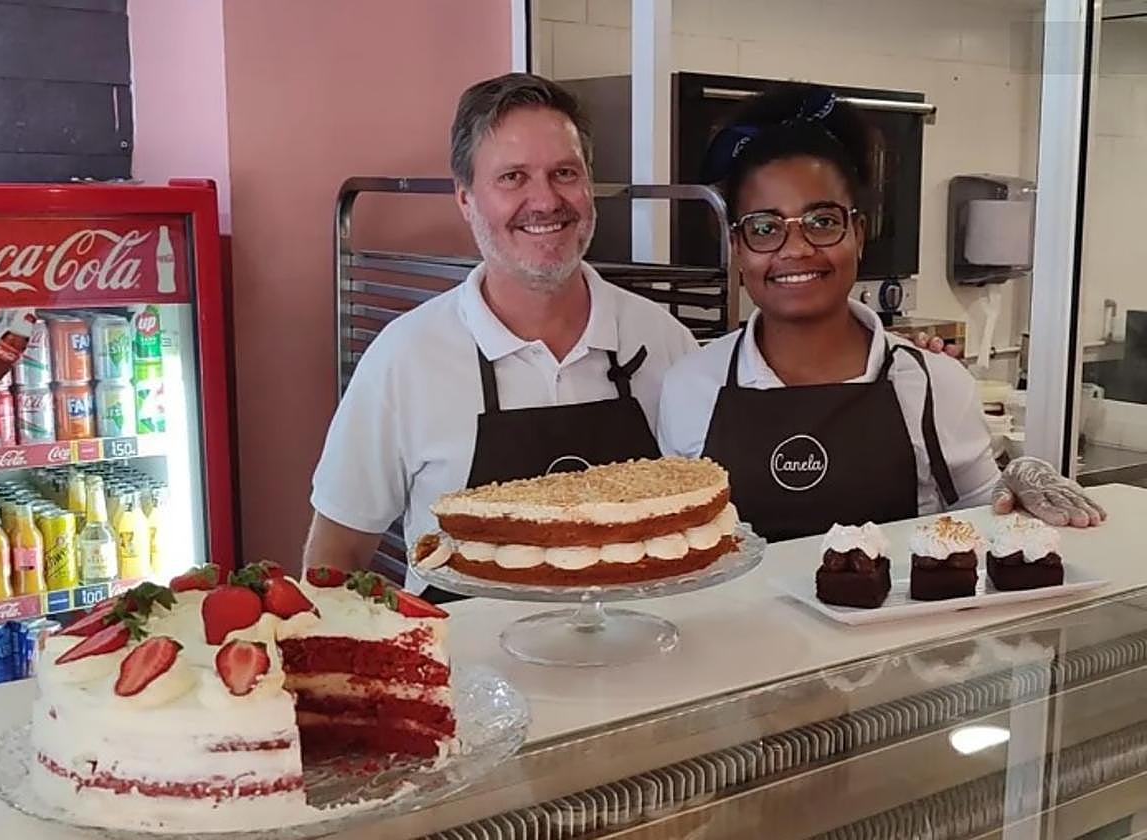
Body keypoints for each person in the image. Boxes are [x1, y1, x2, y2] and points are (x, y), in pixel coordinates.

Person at [305, 73, 696, 597]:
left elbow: (702, 528)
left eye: (564, 173)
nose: (545, 201)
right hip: (464, 669)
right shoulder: (405, 360)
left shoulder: (664, 342)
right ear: (465, 200)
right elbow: (335, 559)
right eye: (513, 177)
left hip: (642, 661)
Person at [658, 85, 1104, 542]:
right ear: (737, 247)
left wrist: (1015, 486)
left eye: (823, 221)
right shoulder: (690, 387)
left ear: (859, 231)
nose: (796, 249)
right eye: (765, 228)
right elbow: (680, 548)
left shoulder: (934, 383)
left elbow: (987, 528)